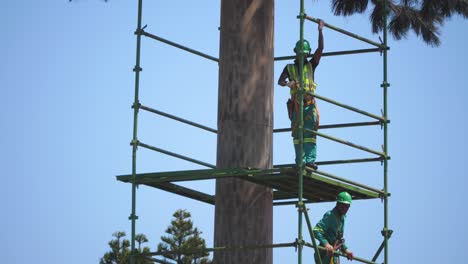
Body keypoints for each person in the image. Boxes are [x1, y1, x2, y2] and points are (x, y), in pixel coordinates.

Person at [277, 19, 324, 170]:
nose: (302, 56)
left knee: (310, 134)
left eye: (305, 54)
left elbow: (320, 49)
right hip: (297, 106)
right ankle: (300, 162)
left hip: (309, 105)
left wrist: (320, 31)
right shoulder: (289, 67)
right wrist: (287, 84)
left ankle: (310, 161)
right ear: (296, 53)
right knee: (298, 136)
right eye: (300, 54)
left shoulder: (311, 65)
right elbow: (279, 81)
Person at [313, 191, 354, 264]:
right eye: (343, 206)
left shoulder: (342, 218)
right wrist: (326, 244)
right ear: (337, 204)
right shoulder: (330, 215)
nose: (345, 209)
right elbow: (316, 231)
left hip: (334, 255)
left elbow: (338, 237)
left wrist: (346, 249)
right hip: (324, 254)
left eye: (347, 207)